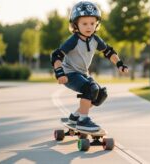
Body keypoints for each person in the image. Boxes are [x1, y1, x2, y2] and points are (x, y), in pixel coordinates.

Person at [50, 1, 128, 132]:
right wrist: (59, 73)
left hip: (83, 74)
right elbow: (56, 56)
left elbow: (109, 52)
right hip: (69, 74)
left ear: (96, 24)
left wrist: (119, 64)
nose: (89, 27)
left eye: (92, 23)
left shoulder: (95, 39)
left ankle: (75, 117)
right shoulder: (73, 40)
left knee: (100, 93)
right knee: (89, 88)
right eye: (84, 23)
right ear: (75, 25)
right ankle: (83, 120)